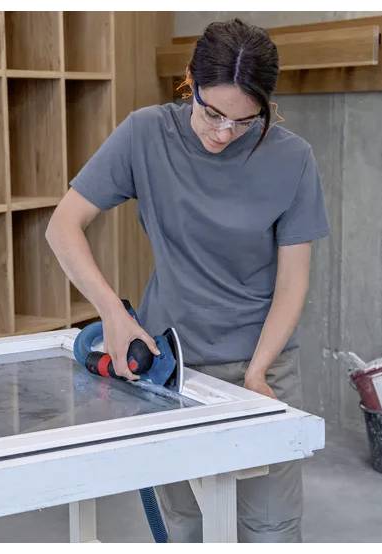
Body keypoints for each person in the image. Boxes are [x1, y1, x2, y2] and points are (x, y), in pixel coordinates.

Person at [46, 18, 329, 543]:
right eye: (212, 112)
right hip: (172, 365)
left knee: (271, 528)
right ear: (188, 82)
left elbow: (292, 281)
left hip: (262, 365)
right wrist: (112, 312)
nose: (223, 132)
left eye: (245, 121)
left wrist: (258, 374)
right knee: (183, 526)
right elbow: (63, 226)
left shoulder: (293, 160)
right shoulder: (146, 133)